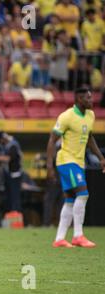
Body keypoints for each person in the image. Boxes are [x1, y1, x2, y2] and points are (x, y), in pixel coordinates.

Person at [47, 87, 105, 248]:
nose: (91, 101)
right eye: (88, 98)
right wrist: (49, 166)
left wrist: (101, 158)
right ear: (79, 100)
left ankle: (59, 238)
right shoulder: (66, 116)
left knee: (70, 200)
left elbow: (89, 138)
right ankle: (78, 235)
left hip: (79, 162)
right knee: (83, 194)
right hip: (66, 161)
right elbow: (52, 140)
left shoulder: (90, 115)